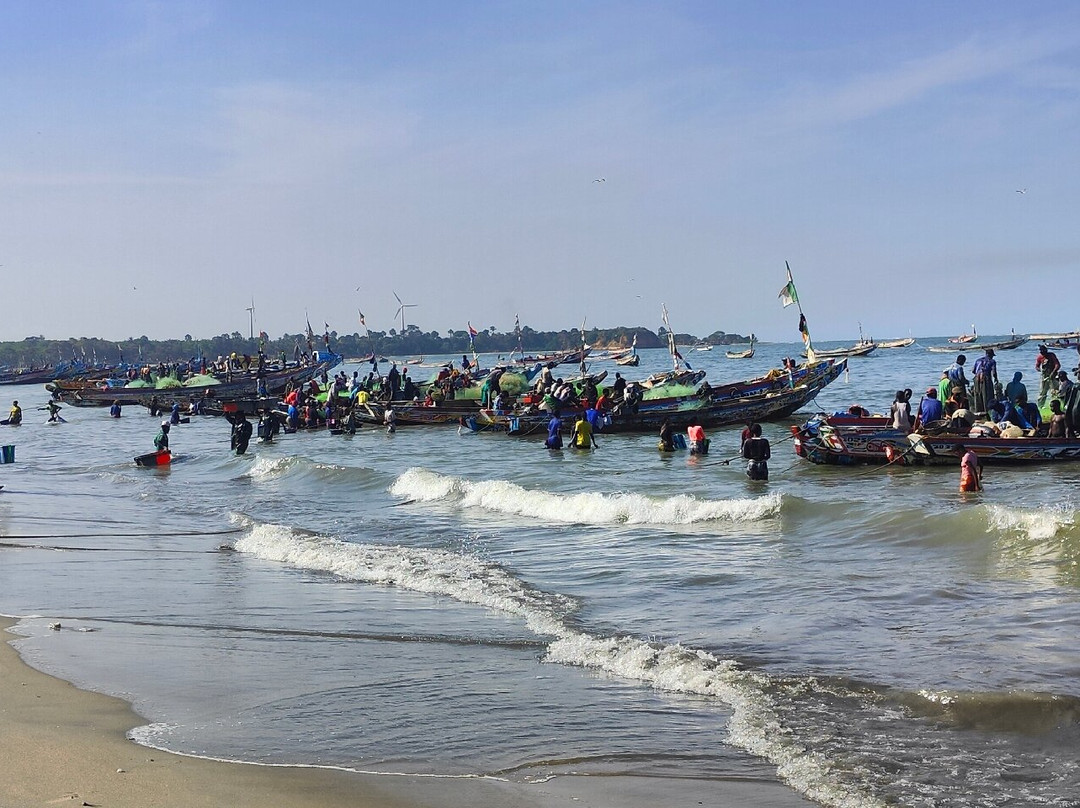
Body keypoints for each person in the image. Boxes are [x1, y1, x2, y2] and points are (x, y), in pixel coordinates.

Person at [971, 349, 998, 413]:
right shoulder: (992, 361)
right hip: (986, 378)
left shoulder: (978, 360)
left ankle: (978, 411)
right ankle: (988, 411)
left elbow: (973, 371)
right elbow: (994, 372)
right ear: (991, 355)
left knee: (977, 394)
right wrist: (996, 379)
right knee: (987, 395)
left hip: (976, 378)